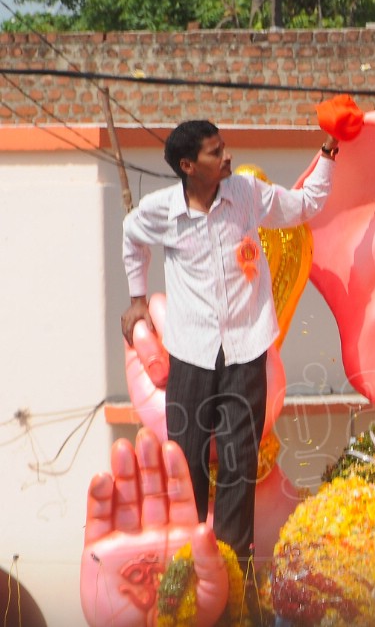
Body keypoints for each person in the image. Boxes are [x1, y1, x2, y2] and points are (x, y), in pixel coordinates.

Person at [120, 120, 340, 567]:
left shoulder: (245, 194)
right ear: (187, 165)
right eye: (214, 152)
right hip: (192, 353)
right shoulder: (161, 210)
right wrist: (137, 299)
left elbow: (302, 206)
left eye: (224, 148)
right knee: (188, 463)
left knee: (240, 463)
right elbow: (132, 238)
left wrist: (329, 154)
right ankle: (191, 564)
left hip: (245, 347)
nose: (226, 157)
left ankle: (233, 572)